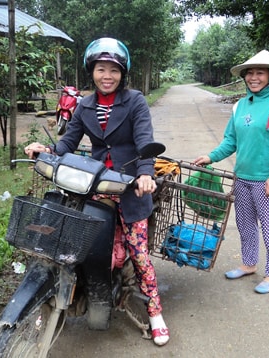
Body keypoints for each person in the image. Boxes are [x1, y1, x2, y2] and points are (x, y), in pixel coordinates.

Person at [24, 37, 169, 345]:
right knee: (68, 239)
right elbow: (68, 142)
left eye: (113, 70)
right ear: (91, 71)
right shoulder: (85, 105)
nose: (107, 76)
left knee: (139, 253)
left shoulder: (135, 101)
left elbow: (145, 141)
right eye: (101, 69)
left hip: (130, 185)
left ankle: (155, 312)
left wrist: (144, 175)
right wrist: (46, 150)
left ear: (122, 73)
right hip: (95, 183)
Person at [193, 50, 269, 294]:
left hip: (267, 181)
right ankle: (249, 264)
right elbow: (231, 141)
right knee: (245, 224)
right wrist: (210, 156)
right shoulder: (240, 105)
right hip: (242, 178)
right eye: (250, 72)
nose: (253, 77)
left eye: (260, 72)